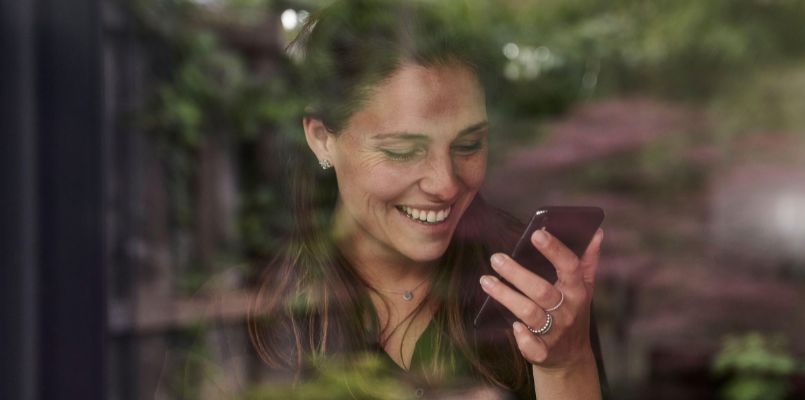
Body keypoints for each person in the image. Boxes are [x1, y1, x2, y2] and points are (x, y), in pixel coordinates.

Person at [247, 1, 607, 398]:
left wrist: (566, 365)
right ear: (321, 139)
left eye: (469, 144)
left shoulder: (538, 294)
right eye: (402, 151)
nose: (446, 185)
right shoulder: (253, 313)